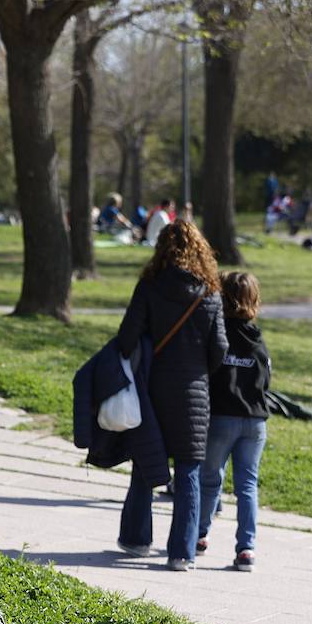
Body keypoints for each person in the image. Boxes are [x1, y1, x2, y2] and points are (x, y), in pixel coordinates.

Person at [115, 220, 229, 570]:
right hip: (194, 393)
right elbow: (220, 348)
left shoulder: (149, 287)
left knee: (145, 464)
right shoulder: (209, 293)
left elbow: (126, 339)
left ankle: (136, 539)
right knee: (189, 471)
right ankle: (182, 552)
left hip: (153, 390)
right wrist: (199, 373)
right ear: (200, 251)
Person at [198, 272, 270, 574]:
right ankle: (246, 549)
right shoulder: (258, 339)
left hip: (221, 418)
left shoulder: (218, 333)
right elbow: (265, 381)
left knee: (209, 480)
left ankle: (198, 534)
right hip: (254, 423)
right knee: (247, 486)